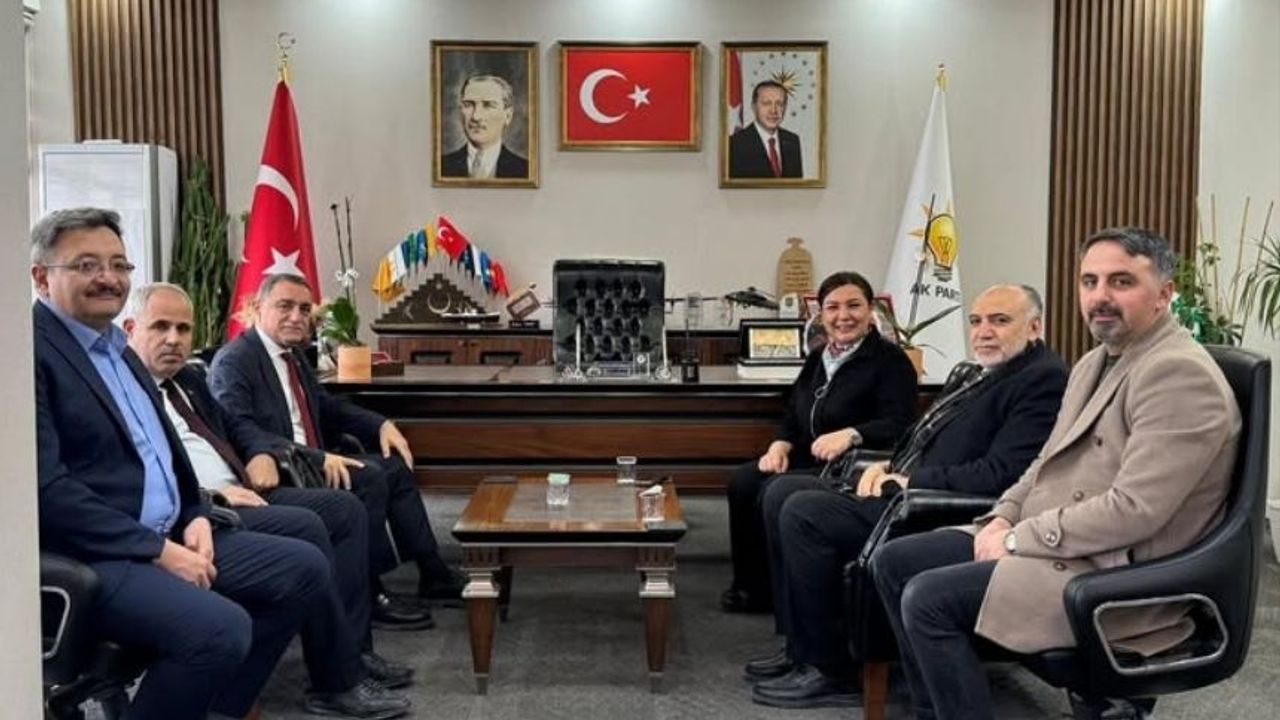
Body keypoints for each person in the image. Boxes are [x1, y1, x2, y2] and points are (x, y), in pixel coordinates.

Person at [30, 207, 406, 720]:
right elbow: (47, 489)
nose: (108, 277)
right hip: (100, 553)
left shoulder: (117, 349)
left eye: (119, 264)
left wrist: (195, 513)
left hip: (175, 530)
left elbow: (164, 453)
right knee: (220, 629)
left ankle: (220, 708)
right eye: (87, 265)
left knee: (304, 567)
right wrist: (157, 548)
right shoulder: (28, 353)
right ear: (41, 277)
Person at [872, 227, 1242, 720]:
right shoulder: (1093, 363)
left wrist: (1016, 539)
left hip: (1118, 574)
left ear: (1164, 294)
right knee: (895, 561)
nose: (1100, 296)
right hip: (1062, 544)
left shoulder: (1178, 373)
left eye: (1122, 281)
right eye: (1090, 281)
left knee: (929, 600)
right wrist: (1002, 517)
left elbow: (1135, 512)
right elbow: (1044, 463)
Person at [744, 285, 1068, 709]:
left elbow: (1003, 475)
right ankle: (801, 649)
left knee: (805, 512)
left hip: (931, 507)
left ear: (1035, 326)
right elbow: (923, 437)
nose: (984, 331)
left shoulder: (1041, 379)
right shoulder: (981, 372)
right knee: (780, 490)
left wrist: (907, 479)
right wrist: (887, 466)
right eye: (976, 321)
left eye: (1000, 321)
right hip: (906, 485)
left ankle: (831, 671)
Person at [123, 281, 416, 702]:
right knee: (314, 527)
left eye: (183, 329)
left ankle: (352, 654)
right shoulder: (128, 390)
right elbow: (144, 472)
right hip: (203, 510)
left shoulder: (185, 379)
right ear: (131, 328)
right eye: (160, 327)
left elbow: (234, 425)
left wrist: (261, 451)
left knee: (345, 509)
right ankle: (338, 677)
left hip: (243, 487)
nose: (173, 339)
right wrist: (211, 496)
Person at [209, 273, 465, 619]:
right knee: (370, 477)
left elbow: (327, 407)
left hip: (310, 459)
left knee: (395, 467)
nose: (296, 317)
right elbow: (238, 427)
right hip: (282, 468)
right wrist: (317, 457)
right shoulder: (236, 359)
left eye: (304, 309)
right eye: (285, 306)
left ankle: (433, 573)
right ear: (258, 307)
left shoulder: (293, 356)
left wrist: (380, 424)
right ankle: (368, 593)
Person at [721, 271, 917, 614]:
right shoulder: (818, 357)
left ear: (870, 310)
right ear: (821, 314)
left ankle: (788, 596)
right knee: (744, 481)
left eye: (854, 306)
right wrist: (780, 444)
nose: (844, 316)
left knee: (775, 490)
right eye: (833, 307)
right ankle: (753, 588)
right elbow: (793, 411)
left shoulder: (890, 361)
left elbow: (900, 425)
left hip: (857, 465)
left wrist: (852, 433)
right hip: (810, 457)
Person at [440, 74, 529, 179]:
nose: (476, 116)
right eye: (468, 104)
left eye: (488, 105)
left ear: (508, 115)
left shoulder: (525, 170)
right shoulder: (441, 167)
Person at [728, 80, 803, 179]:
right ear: (754, 106)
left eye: (779, 104)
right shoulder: (735, 144)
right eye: (766, 103)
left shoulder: (792, 141)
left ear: (785, 107)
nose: (773, 110)